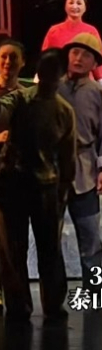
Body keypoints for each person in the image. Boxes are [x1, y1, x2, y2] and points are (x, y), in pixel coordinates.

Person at [0, 50, 76, 322]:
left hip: (46, 186)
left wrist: (64, 189)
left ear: (61, 75)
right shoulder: (20, 99)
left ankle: (53, 304)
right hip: (15, 182)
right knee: (13, 249)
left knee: (49, 249)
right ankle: (18, 305)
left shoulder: (63, 111)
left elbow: (68, 155)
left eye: (53, 71)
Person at [57, 32, 102, 293]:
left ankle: (94, 292)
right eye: (75, 52)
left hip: (86, 171)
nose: (79, 58)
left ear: (94, 63)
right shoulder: (52, 88)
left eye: (86, 55)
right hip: (53, 171)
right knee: (50, 239)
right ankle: (53, 298)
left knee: (90, 239)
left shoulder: (98, 93)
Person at [0, 39, 30, 314]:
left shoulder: (27, 97)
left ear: (22, 63)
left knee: (16, 243)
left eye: (13, 58)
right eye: (3, 57)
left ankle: (18, 303)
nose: (7, 63)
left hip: (16, 180)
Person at [41, 0, 102, 94]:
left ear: (85, 8)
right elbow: (46, 58)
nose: (74, 6)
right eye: (71, 3)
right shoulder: (54, 30)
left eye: (79, 3)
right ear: (65, 6)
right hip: (58, 83)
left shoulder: (91, 31)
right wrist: (40, 79)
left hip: (85, 84)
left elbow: (98, 60)